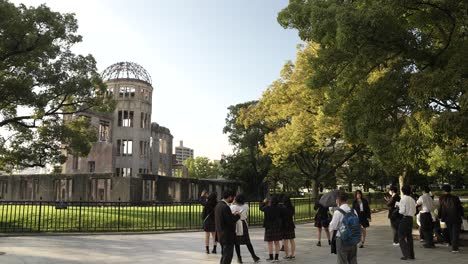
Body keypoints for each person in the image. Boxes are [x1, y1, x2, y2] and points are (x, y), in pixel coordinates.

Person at [230, 194, 260, 263]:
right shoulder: (246, 206)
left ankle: (239, 258)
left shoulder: (233, 207)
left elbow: (231, 210)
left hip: (236, 224)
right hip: (243, 223)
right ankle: (254, 256)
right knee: (247, 241)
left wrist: (233, 203)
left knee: (236, 242)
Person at [329, 191, 358, 264]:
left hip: (342, 239)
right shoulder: (353, 210)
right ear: (346, 200)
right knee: (353, 259)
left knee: (342, 261)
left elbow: (332, 227)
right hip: (353, 238)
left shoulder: (337, 212)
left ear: (338, 199)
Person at [215, 190, 241, 264]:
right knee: (227, 256)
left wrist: (232, 215)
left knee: (224, 255)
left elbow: (224, 218)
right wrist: (237, 216)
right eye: (232, 197)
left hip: (220, 234)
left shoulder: (218, 205)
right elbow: (230, 221)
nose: (233, 199)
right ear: (229, 197)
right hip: (227, 236)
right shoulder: (225, 207)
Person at [439, 184, 464, 253]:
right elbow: (460, 207)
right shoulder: (455, 198)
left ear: (443, 190)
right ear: (450, 190)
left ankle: (452, 245)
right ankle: (455, 248)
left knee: (450, 232)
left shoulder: (441, 198)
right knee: (455, 232)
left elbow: (441, 208)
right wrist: (462, 215)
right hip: (456, 217)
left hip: (447, 218)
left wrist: (440, 216)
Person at [260, 195, 283, 262]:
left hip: (269, 227)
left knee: (270, 243)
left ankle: (271, 257)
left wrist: (264, 202)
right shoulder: (279, 208)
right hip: (277, 227)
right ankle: (276, 258)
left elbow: (261, 208)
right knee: (277, 242)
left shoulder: (267, 208)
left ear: (271, 201)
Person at [397, 185, 417, 260]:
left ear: (402, 191)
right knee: (409, 237)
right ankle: (411, 255)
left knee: (401, 237)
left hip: (405, 219)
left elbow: (402, 211)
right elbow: (415, 211)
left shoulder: (403, 199)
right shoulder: (412, 199)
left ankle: (406, 254)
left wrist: (398, 209)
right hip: (411, 219)